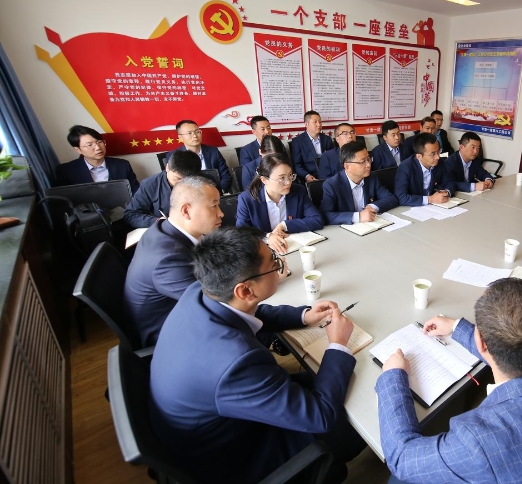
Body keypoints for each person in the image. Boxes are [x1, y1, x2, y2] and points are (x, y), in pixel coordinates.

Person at [149, 227, 363, 484]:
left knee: (325, 381)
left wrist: (304, 315)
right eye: (274, 263)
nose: (279, 265)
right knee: (360, 417)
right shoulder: (236, 363)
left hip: (213, 422)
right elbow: (320, 416)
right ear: (245, 290)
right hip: (237, 455)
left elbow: (249, 312)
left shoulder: (200, 292)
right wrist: (338, 344)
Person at [376, 278, 522, 484]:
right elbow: (510, 350)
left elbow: (402, 459)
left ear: (481, 342)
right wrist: (457, 328)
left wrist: (393, 377)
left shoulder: (480, 440)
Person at [123, 176, 223, 348]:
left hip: (179, 312)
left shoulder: (163, 228)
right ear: (186, 211)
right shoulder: (167, 259)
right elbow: (216, 305)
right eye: (214, 206)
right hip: (170, 335)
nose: (221, 213)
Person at [236, 154, 323, 254]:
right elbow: (241, 233)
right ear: (264, 180)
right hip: (263, 253)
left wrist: (284, 225)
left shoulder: (298, 191)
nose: (288, 182)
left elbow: (317, 220)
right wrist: (268, 237)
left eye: (290, 175)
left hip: (294, 249)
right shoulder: (246, 199)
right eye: (282, 178)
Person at [320, 141, 398, 225]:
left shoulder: (371, 178)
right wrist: (358, 216)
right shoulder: (332, 185)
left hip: (371, 225)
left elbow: (391, 198)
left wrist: (372, 206)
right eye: (362, 161)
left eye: (368, 159)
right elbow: (325, 215)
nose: (368, 165)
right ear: (347, 166)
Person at [123, 150, 201, 229]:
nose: (183, 183)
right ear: (167, 168)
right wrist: (157, 221)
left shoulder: (203, 182)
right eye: (178, 178)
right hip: (168, 229)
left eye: (188, 179)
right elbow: (130, 215)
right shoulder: (150, 184)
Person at [55, 125, 140, 193]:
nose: (98, 148)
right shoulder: (66, 171)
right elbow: (64, 201)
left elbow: (136, 193)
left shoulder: (123, 165)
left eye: (99, 142)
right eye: (89, 145)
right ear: (78, 150)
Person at [166, 119, 232, 192]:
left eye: (197, 132)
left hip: (213, 192)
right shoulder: (174, 156)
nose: (195, 136)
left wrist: (219, 191)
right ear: (180, 137)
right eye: (189, 133)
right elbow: (173, 181)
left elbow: (226, 176)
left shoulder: (213, 151)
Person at [394, 132, 453, 207]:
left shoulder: (440, 163)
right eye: (433, 154)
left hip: (436, 207)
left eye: (438, 151)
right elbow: (401, 197)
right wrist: (430, 199)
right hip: (413, 208)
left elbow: (449, 182)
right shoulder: (405, 168)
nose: (437, 157)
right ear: (419, 156)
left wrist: (446, 192)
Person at [290, 110, 334, 182]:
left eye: (320, 122)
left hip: (328, 175)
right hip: (310, 176)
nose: (319, 125)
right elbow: (297, 165)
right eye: (315, 122)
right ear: (306, 124)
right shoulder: (297, 141)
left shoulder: (327, 139)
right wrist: (306, 176)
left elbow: (333, 159)